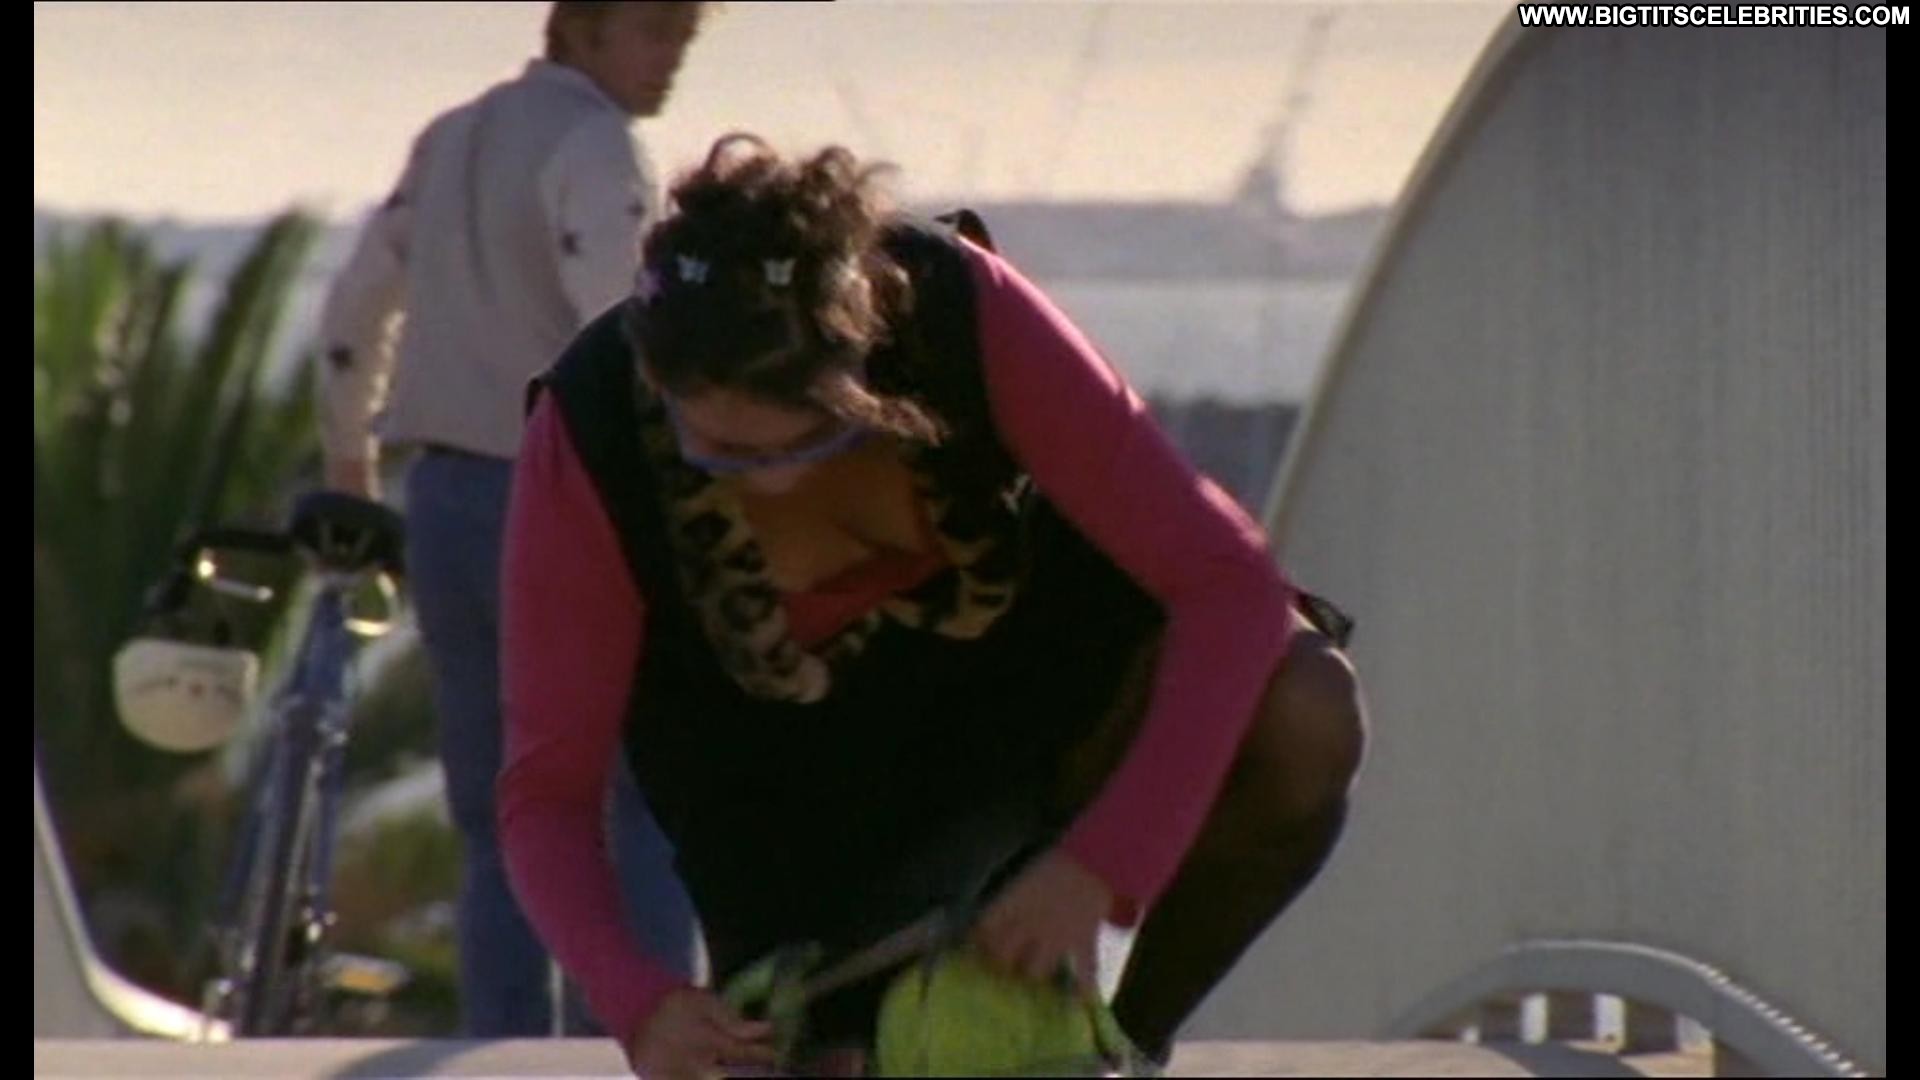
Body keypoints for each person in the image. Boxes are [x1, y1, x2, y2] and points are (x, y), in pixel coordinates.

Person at [500, 134, 1369, 1078]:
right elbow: (547, 796)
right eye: (719, 452)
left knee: (1306, 711)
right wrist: (641, 1003)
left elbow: (1230, 583)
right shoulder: (588, 430)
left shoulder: (959, 308)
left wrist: (1107, 863)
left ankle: (1120, 1054)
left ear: (864, 370)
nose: (768, 485)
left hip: (1024, 705)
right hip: (784, 794)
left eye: (810, 442)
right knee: (832, 1063)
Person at [313, 1, 710, 1037]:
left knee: (501, 813)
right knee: (637, 802)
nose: (670, 59)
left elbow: (356, 306)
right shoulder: (598, 147)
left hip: (444, 501)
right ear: (580, 28)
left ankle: (503, 1045)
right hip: (568, 500)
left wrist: (350, 456)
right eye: (652, 32)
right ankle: (638, 1041)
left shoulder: (451, 140)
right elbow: (621, 334)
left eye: (682, 38)